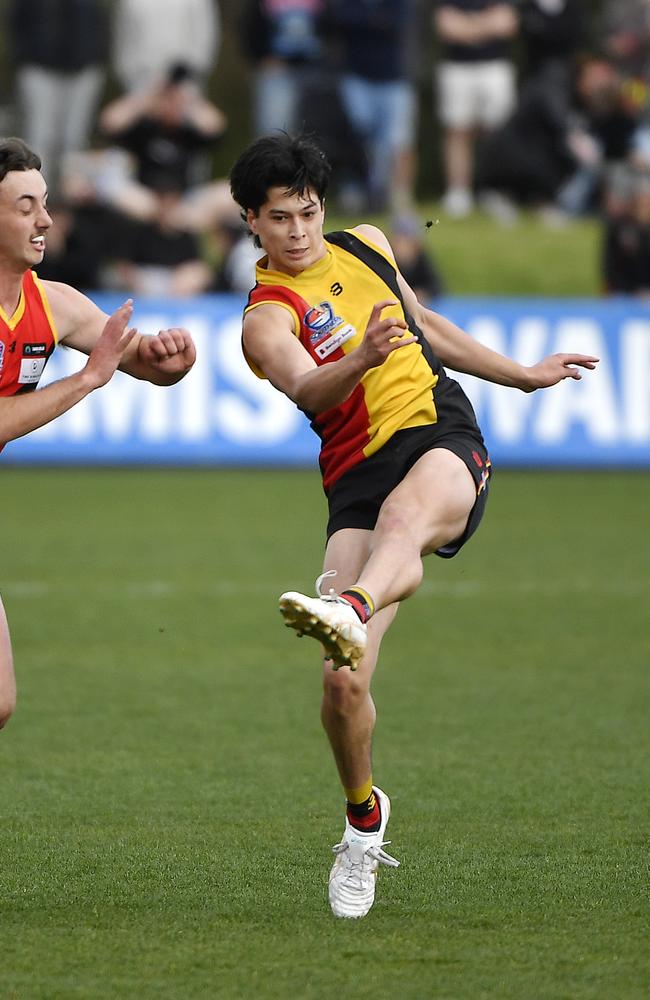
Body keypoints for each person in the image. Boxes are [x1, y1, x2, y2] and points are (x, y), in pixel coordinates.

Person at [228, 132, 599, 919]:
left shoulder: (364, 247)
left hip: (441, 439)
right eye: (279, 218)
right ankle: (364, 820)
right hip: (354, 479)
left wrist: (522, 374)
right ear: (249, 223)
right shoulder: (264, 318)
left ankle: (351, 609)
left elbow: (426, 325)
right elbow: (308, 389)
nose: (298, 230)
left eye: (308, 211)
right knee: (340, 684)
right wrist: (360, 357)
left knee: (402, 528)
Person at [0, 137, 197, 731]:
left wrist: (169, 360)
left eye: (46, 202)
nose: (46, 220)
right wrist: (87, 379)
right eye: (25, 206)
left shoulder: (53, 303)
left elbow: (132, 358)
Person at [433, 0, 519, 218]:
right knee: (457, 130)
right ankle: (458, 194)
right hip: (457, 67)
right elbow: (446, 26)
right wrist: (486, 25)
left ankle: (495, 190)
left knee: (498, 133)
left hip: (495, 66)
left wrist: (468, 26)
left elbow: (507, 23)